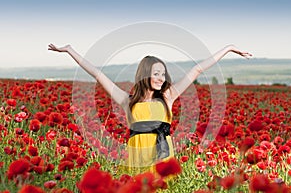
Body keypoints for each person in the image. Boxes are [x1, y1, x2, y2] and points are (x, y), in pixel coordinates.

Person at [48, 43, 251, 172]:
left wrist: (229, 48)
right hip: (136, 158)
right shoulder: (128, 101)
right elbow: (98, 74)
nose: (161, 79)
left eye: (163, 74)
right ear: (145, 75)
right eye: (156, 74)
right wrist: (69, 50)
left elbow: (197, 69)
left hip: (162, 156)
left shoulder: (168, 97)